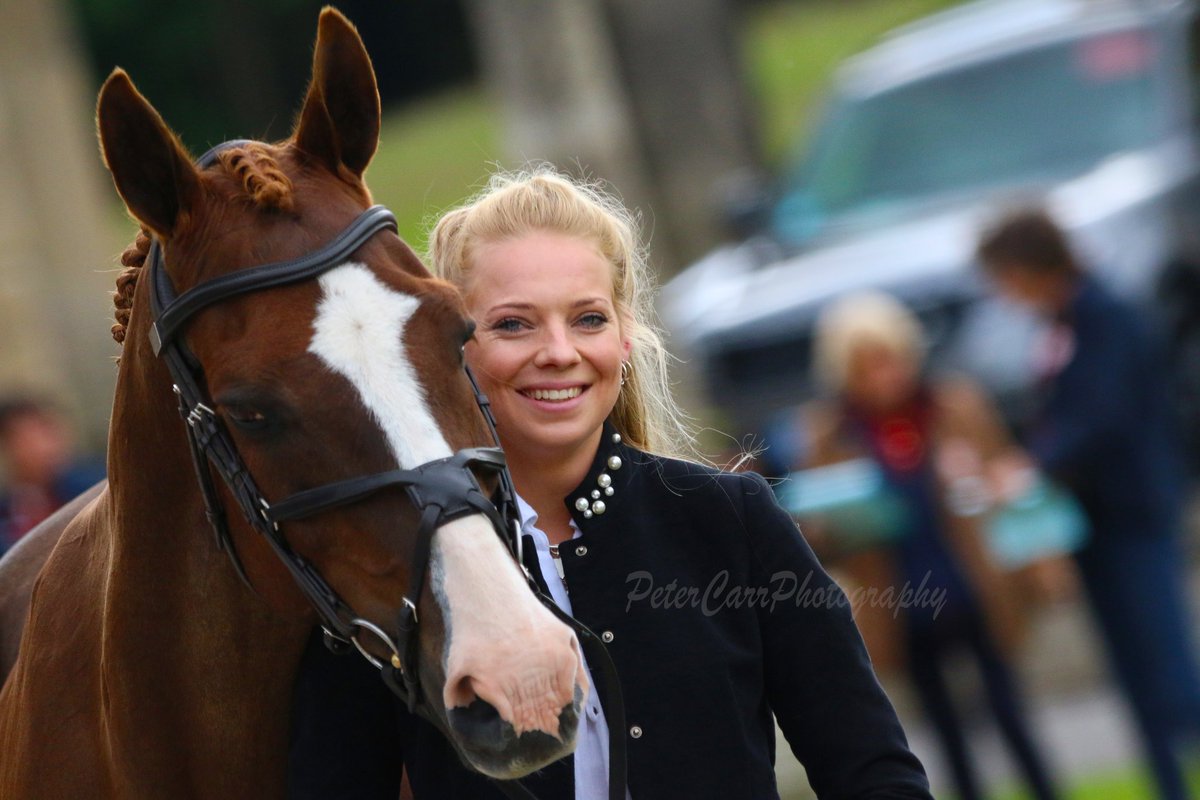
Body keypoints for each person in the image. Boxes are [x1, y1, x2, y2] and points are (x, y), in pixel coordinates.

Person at [287, 168, 933, 799]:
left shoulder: (731, 521)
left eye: (588, 319)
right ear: (454, 348)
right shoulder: (392, 564)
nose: (560, 351)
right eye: (515, 324)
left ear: (626, 337)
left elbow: (874, 773)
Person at [770, 291, 1061, 800]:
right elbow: (818, 535)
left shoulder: (955, 406)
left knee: (1011, 715)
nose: (884, 376)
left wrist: (1035, 552)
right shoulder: (828, 433)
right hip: (901, 603)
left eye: (890, 360)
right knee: (943, 734)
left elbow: (1011, 480)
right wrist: (828, 524)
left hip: (976, 586)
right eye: (867, 366)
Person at [976, 207, 1200, 800]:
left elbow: (1100, 417)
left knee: (1170, 673)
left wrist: (1029, 468)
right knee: (1132, 677)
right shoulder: (1059, 325)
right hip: (1090, 523)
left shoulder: (1107, 315)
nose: (1004, 293)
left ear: (1027, 266)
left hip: (1136, 518)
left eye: (1004, 277)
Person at [0, 394, 104, 554]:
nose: (47, 446)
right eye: (30, 438)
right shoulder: (8, 515)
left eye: (49, 432)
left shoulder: (97, 487)